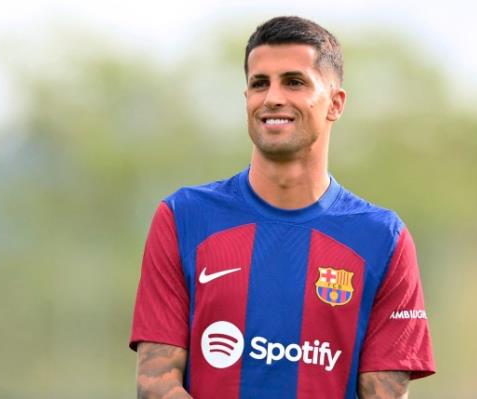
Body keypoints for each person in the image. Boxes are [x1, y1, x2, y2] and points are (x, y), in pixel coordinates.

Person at [129, 15, 435, 399]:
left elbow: (384, 394)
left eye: (294, 82)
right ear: (247, 100)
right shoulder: (183, 217)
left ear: (335, 104)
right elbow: (155, 383)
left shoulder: (382, 238)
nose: (273, 97)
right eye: (260, 83)